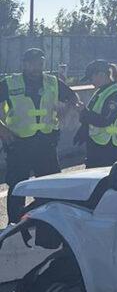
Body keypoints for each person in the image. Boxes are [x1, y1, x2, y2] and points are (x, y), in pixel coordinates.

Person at [0, 48, 82, 223]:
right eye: (32, 63)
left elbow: (72, 96)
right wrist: (3, 129)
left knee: (50, 186)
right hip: (19, 143)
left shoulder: (52, 82)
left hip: (45, 143)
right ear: (24, 64)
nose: (36, 67)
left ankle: (47, 223)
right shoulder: (9, 83)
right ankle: (14, 224)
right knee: (17, 187)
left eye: (40, 63)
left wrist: (67, 111)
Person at [75, 59, 117, 168]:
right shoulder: (101, 92)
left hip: (108, 148)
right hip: (96, 146)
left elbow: (104, 120)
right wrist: (83, 129)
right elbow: (92, 115)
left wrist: (84, 111)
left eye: (91, 78)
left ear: (101, 75)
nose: (90, 82)